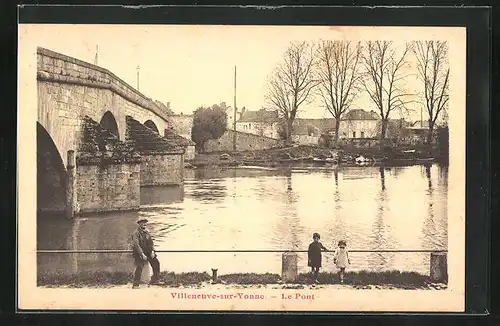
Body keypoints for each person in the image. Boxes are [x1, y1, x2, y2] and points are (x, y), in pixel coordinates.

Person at [130, 217, 160, 288]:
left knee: (156, 263)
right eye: (142, 223)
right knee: (139, 267)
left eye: (145, 223)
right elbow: (136, 245)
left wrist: (152, 251)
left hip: (148, 252)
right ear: (139, 224)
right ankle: (136, 284)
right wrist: (142, 254)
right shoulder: (135, 233)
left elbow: (151, 243)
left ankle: (155, 280)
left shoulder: (147, 232)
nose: (144, 224)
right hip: (139, 252)